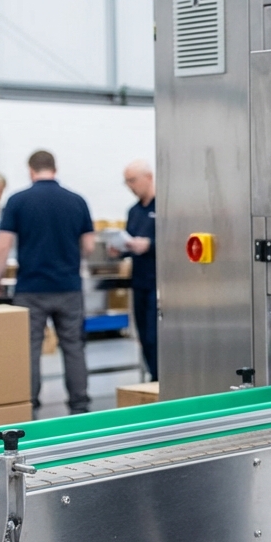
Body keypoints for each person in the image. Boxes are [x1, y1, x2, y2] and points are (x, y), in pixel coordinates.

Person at [0, 151, 95, 414]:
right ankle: (80, 405)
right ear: (54, 169)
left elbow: (2, 246)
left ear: (31, 170)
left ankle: (30, 405)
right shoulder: (77, 200)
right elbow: (90, 246)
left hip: (31, 288)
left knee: (30, 348)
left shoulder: (18, 201)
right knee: (73, 346)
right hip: (68, 287)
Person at [113, 161, 158, 381]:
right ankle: (152, 377)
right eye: (127, 182)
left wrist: (150, 245)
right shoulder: (134, 211)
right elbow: (129, 241)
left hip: (159, 283)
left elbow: (176, 244)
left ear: (148, 177)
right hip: (139, 281)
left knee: (154, 335)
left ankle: (161, 378)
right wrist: (119, 249)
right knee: (143, 336)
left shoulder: (163, 207)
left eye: (132, 180)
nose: (130, 186)